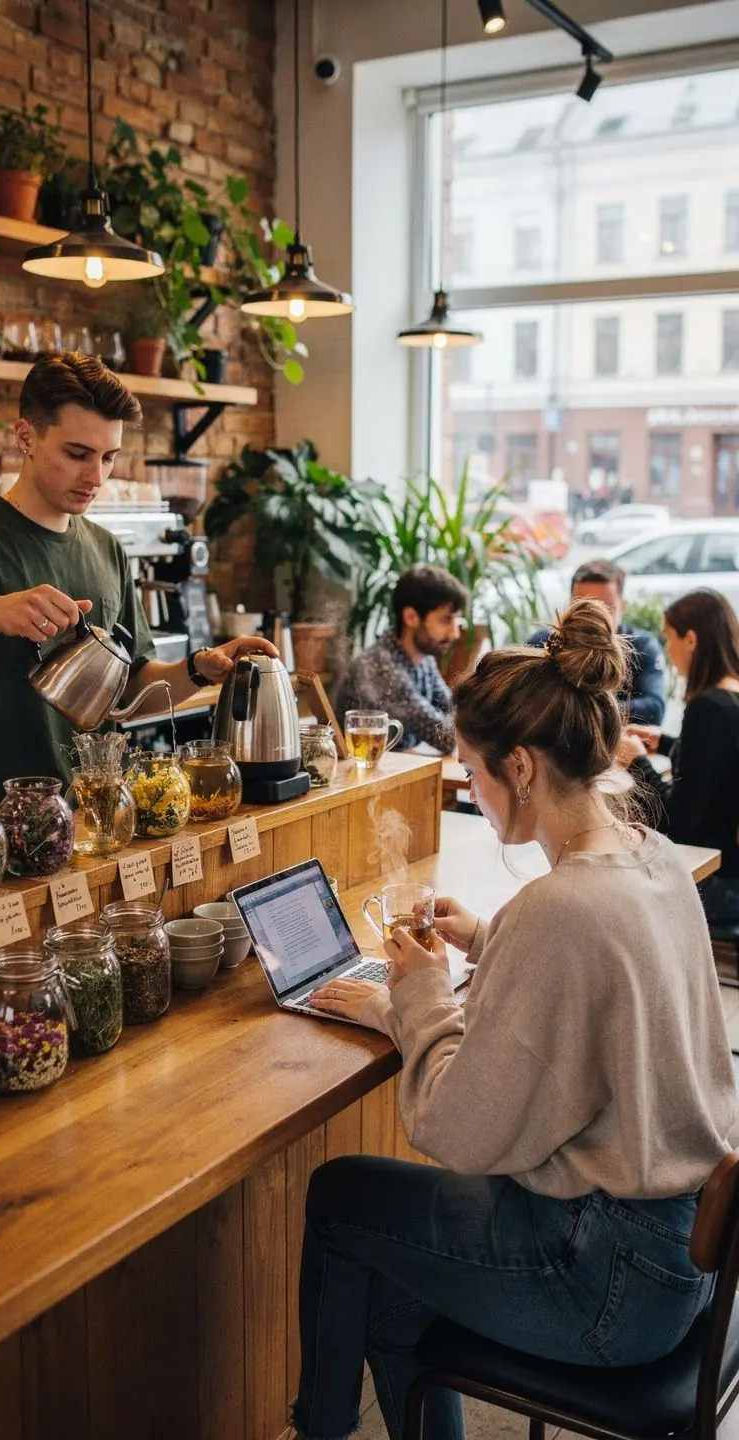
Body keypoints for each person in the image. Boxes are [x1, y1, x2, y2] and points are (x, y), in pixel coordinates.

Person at [286, 598, 735, 1440]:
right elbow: (611, 978)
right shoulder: (653, 860)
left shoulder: (559, 908)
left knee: (341, 1198)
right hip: (686, 1259)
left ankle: (320, 1427)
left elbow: (460, 1129)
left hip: (607, 1280)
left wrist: (412, 998)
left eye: (473, 769)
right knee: (391, 1291)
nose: (477, 792)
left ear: (521, 767)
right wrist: (488, 936)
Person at [0, 352, 274, 800]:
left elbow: (128, 695)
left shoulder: (106, 548)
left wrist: (199, 668)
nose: (96, 477)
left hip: (97, 820)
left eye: (109, 457)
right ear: (26, 437)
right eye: (78, 454)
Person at [619, 589, 739, 926]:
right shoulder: (731, 698)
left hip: (716, 881)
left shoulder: (708, 708)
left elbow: (674, 823)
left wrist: (636, 761)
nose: (667, 649)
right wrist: (668, 744)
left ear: (692, 639)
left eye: (669, 637)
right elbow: (721, 766)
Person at [334, 564, 467, 753]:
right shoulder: (380, 666)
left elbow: (454, 708)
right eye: (446, 620)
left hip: (397, 770)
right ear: (411, 617)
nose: (455, 633)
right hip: (365, 776)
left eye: (456, 621)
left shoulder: (423, 658)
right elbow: (447, 739)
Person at [529, 558, 666, 724]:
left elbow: (654, 709)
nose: (594, 618)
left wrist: (580, 710)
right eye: (584, 606)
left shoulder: (642, 647)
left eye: (606, 607)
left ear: (623, 606)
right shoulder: (545, 643)